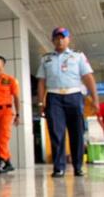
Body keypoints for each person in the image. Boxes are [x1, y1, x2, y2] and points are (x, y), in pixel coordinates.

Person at [36, 27, 99, 177]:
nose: (60, 40)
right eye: (57, 38)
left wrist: (95, 99)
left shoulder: (78, 57)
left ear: (68, 39)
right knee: (56, 134)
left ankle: (78, 166)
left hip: (74, 96)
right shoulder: (46, 59)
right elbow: (41, 82)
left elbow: (88, 78)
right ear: (52, 41)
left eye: (63, 37)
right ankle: (59, 167)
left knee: (76, 132)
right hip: (54, 97)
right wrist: (40, 102)